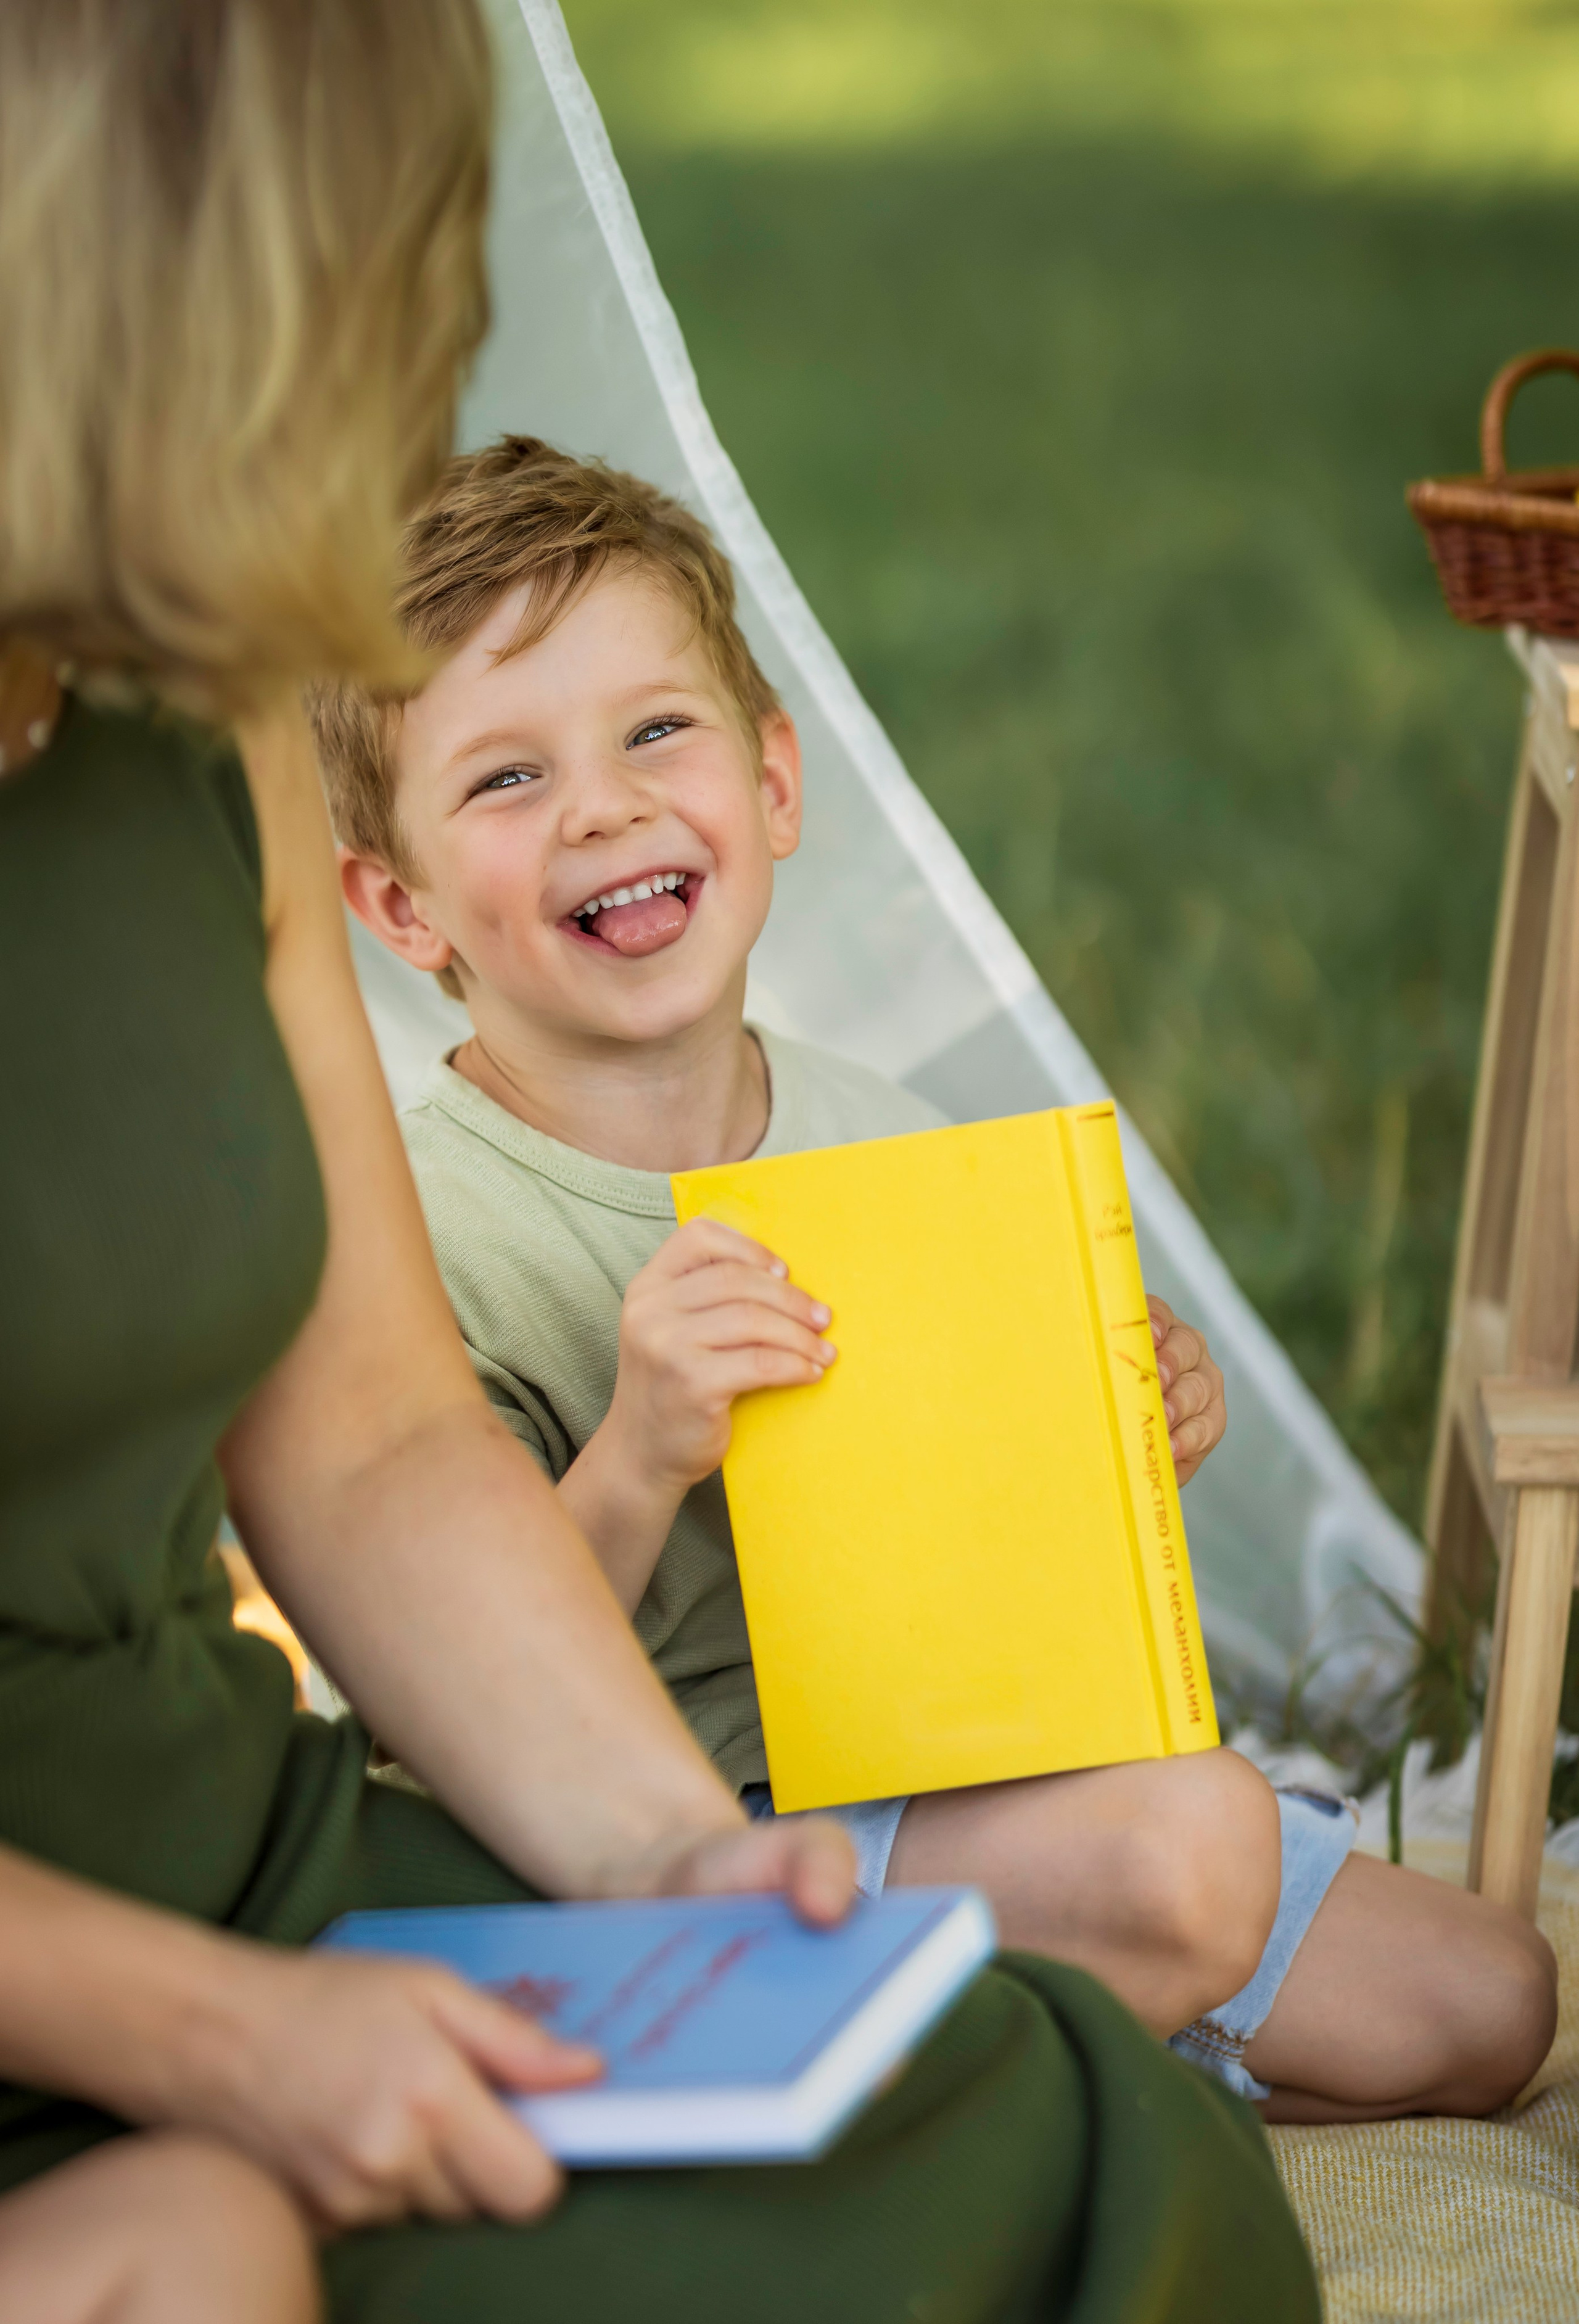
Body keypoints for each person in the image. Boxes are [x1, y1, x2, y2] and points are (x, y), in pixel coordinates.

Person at [0, 3, 1320, 2320]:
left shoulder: (184, 708)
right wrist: (225, 2040)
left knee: (1070, 2145)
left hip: (238, 1851)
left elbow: (390, 1435)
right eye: (363, 282)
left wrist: (663, 1861)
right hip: (87, 1979)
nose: (407, 362)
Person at [328, 435, 1558, 2128]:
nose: (605, 805)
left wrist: (1117, 1446)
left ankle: (1021, 2038)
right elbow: (431, 1704)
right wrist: (641, 1452)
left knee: (1489, 2004)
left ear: (772, 785)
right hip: (635, 1854)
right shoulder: (416, 1237)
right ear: (399, 907)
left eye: (655, 731)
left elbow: (965, 1567)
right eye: (506, 780)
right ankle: (947, 2056)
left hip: (926, 1790)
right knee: (1196, 1837)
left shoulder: (874, 1141)